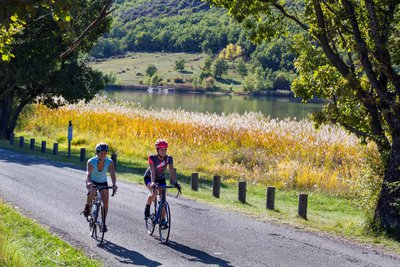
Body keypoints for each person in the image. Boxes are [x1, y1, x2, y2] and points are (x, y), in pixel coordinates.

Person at [144, 139, 180, 226]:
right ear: (157, 150)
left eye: (165, 149)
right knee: (155, 193)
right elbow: (152, 170)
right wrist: (152, 183)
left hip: (161, 179)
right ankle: (148, 206)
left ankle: (163, 220)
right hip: (149, 177)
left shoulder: (169, 159)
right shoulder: (152, 158)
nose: (163, 151)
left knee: (163, 199)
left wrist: (175, 183)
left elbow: (171, 171)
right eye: (161, 149)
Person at [82, 143, 118, 232]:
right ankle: (87, 206)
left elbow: (112, 173)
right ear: (97, 153)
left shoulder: (109, 162)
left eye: (105, 153)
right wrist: (89, 182)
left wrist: (114, 184)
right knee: (93, 192)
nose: (103, 155)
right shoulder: (91, 161)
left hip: (103, 182)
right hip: (92, 181)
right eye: (101, 153)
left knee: (105, 202)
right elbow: (88, 173)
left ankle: (103, 223)